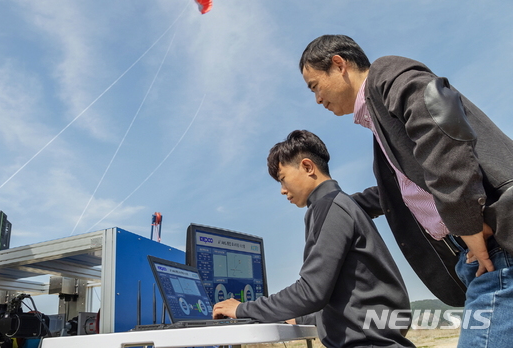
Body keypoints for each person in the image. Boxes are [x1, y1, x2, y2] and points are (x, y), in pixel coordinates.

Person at [299, 34, 513, 347]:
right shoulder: (379, 123)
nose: (317, 99)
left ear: (339, 65)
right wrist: (334, 204)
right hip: (481, 250)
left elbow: (442, 130)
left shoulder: (389, 76)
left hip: (494, 244)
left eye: (314, 85)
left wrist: (465, 223)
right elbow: (402, 192)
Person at [212, 130, 415, 348]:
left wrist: (242, 309)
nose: (282, 190)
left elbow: (311, 292)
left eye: (282, 179)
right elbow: (346, 300)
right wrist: (298, 318)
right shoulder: (340, 205)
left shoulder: (330, 207)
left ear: (308, 167)